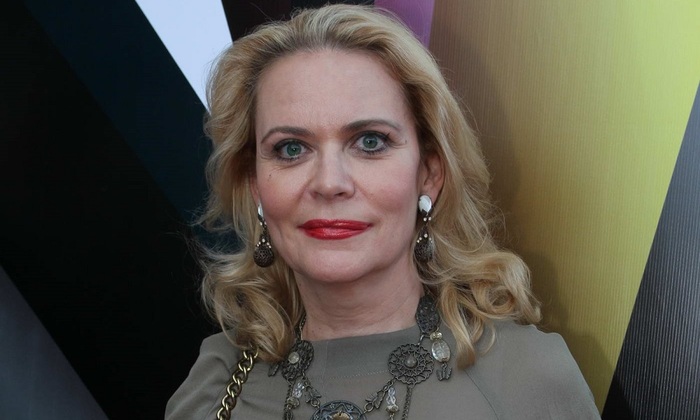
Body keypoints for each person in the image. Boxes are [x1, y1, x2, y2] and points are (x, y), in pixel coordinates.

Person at [166, 4, 599, 419]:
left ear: (429, 173)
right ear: (254, 183)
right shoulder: (217, 384)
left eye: (370, 142)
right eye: (291, 148)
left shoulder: (525, 378)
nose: (329, 182)